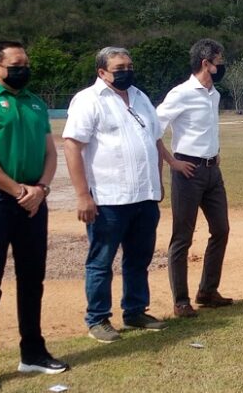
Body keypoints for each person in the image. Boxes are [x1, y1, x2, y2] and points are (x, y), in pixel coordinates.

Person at [0, 41, 69, 393]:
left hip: (34, 201)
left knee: (32, 279)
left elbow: (51, 152)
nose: (24, 69)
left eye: (26, 63)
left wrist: (41, 190)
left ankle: (32, 352)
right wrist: (19, 191)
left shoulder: (35, 102)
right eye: (16, 64)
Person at [62, 47, 168, 343]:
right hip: (109, 199)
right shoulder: (88, 100)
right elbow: (72, 145)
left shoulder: (140, 97)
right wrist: (83, 195)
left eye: (130, 66)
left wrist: (156, 184)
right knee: (101, 261)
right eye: (119, 67)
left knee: (139, 258)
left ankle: (134, 311)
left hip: (144, 196)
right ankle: (98, 318)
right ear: (102, 72)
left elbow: (154, 139)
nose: (127, 71)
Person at [156, 38, 233, 317]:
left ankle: (207, 291)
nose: (222, 67)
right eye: (219, 62)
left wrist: (215, 153)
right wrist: (173, 162)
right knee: (183, 236)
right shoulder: (181, 93)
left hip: (213, 171)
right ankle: (181, 300)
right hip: (188, 172)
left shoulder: (214, 94)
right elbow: (154, 127)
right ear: (206, 64)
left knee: (221, 229)